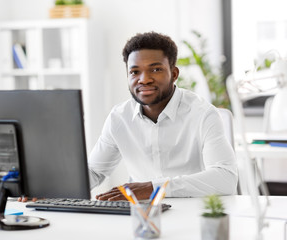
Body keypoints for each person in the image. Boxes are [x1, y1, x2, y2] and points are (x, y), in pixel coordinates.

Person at [89, 31, 238, 201]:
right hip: (142, 217)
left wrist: (154, 188)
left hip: (192, 211)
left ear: (174, 74)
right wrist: (58, 185)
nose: (144, 80)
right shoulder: (119, 118)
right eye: (135, 72)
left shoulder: (203, 114)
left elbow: (226, 179)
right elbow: (95, 171)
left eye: (156, 69)